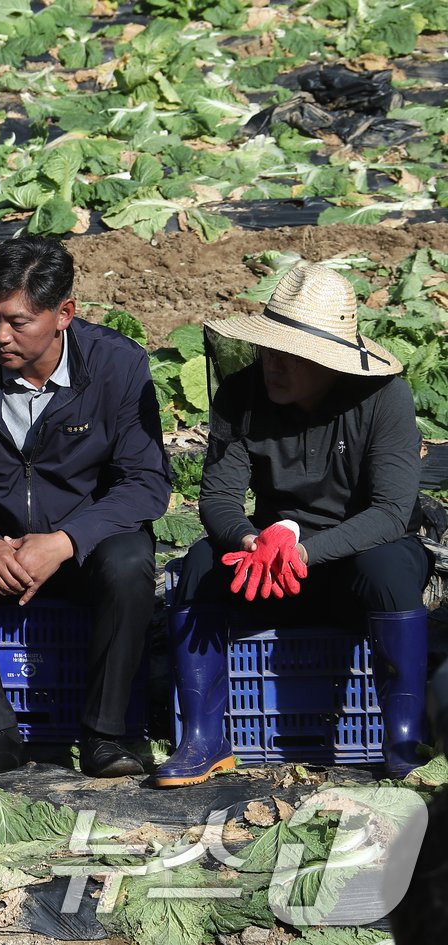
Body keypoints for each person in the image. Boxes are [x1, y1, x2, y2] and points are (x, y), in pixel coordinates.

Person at [155, 262, 428, 786]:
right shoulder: (241, 392)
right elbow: (217, 498)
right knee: (199, 565)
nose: (273, 364)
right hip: (269, 564)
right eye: (268, 349)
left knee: (390, 568)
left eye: (291, 355)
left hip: (354, 558)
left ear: (332, 361)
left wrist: (304, 550)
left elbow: (393, 511)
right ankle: (204, 740)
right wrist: (250, 540)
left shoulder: (384, 398)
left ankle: (403, 741)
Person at [0, 236, 171, 779]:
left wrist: (66, 541)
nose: (0, 336)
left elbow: (145, 483)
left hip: (84, 550)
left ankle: (105, 733)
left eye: (18, 322)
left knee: (131, 563)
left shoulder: (118, 365)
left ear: (64, 314)